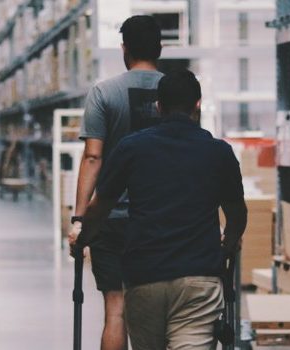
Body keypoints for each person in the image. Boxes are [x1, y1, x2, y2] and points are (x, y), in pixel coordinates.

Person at [72, 70, 248, 349]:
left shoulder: (131, 148)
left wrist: (82, 235)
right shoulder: (219, 152)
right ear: (197, 105)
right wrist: (227, 245)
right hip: (198, 276)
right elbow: (238, 215)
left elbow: (100, 207)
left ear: (158, 107)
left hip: (144, 276)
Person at [68, 15, 164, 350]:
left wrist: (80, 219)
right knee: (157, 310)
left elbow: (93, 157)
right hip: (159, 220)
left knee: (116, 308)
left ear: (124, 48)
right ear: (160, 48)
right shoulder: (177, 92)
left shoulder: (104, 93)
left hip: (111, 219)